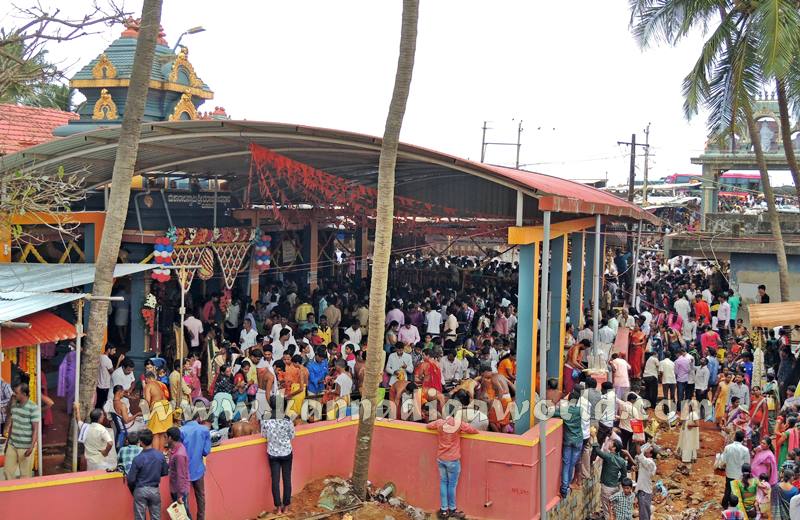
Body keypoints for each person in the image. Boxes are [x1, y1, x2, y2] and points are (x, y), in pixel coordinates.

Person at [426, 410, 479, 519]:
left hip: (441, 458)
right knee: (452, 485)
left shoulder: (440, 422)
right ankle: (452, 509)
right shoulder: (458, 424)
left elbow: (428, 426)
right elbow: (473, 430)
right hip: (453, 460)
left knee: (443, 482)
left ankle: (444, 510)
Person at [261, 395, 295, 515]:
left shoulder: (265, 419)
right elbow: (292, 436)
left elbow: (264, 435)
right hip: (286, 453)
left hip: (273, 454)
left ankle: (278, 508)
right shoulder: (287, 420)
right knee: (287, 480)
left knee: (275, 481)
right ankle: (286, 507)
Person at [127, 429, 168, 520]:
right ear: (152, 439)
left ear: (141, 442)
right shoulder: (160, 456)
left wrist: (134, 490)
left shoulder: (138, 459)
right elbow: (165, 472)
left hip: (140, 489)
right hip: (154, 489)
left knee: (140, 518)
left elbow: (131, 479)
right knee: (156, 517)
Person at [592, 428, 631, 518]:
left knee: (607, 509)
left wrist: (594, 438)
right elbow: (624, 476)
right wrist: (618, 482)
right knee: (613, 508)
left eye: (611, 443)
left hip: (607, 487)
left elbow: (597, 451)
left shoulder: (609, 457)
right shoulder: (621, 461)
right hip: (615, 487)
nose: (609, 443)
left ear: (614, 448)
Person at [3, 382, 40, 479]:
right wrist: (7, 443)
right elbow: (11, 424)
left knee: (25, 475)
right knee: (7, 471)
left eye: (16, 392)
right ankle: (11, 492)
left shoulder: (33, 407)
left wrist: (31, 447)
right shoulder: (14, 405)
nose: (14, 394)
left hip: (25, 447)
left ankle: (23, 493)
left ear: (24, 394)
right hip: (12, 444)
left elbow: (35, 429)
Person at [181, 412, 212, 520]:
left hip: (184, 470)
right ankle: (201, 518)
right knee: (201, 496)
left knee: (184, 499)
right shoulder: (204, 430)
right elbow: (205, 451)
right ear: (198, 417)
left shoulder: (181, 431)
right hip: (198, 469)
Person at [552, 390, 582, 497]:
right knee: (571, 465)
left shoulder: (564, 411)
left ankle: (564, 488)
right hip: (578, 440)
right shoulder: (580, 410)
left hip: (568, 440)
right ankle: (567, 485)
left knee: (566, 464)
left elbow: (552, 413)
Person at [75, 404, 117, 471]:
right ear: (100, 418)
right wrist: (105, 452)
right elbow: (110, 443)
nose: (104, 416)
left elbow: (78, 420)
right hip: (100, 462)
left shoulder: (85, 427)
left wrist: (77, 408)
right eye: (102, 415)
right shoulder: (102, 430)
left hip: (89, 462)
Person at [721, 430, 751, 508]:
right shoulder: (745, 450)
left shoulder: (728, 447)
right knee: (737, 490)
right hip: (739, 474)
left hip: (729, 472)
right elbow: (747, 464)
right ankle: (737, 506)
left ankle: (725, 504)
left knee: (728, 488)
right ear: (743, 439)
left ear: (735, 437)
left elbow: (723, 460)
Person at [635, 443, 657, 520]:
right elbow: (638, 457)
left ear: (650, 454)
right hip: (644, 492)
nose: (646, 449)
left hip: (644, 492)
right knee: (644, 514)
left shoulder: (649, 463)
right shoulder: (647, 463)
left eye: (648, 449)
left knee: (644, 516)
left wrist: (636, 441)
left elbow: (639, 454)